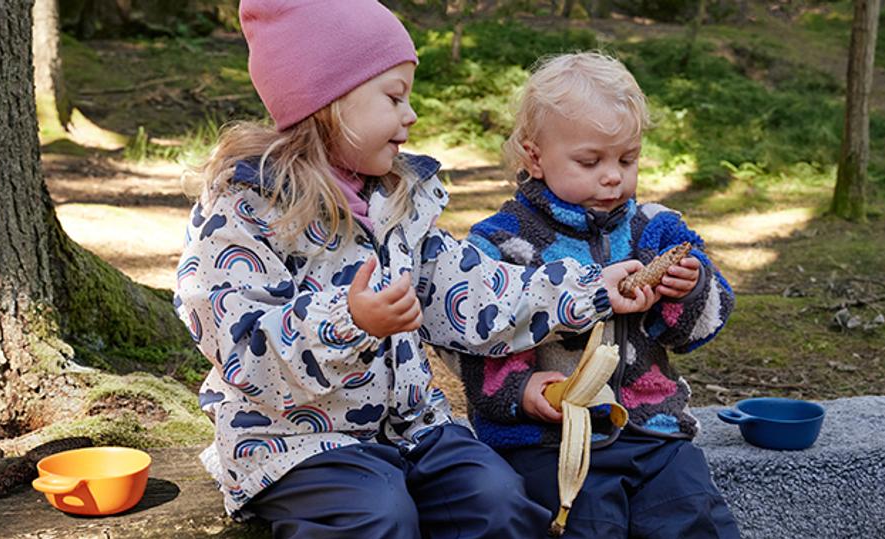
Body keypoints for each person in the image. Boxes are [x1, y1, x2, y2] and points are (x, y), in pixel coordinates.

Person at [174, 4, 653, 537]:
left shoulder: (397, 203)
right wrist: (349, 321)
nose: (411, 115)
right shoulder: (246, 213)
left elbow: (472, 291)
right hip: (293, 440)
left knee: (495, 499)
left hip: (411, 427)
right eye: (394, 97)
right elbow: (241, 347)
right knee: (377, 514)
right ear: (327, 102)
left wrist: (588, 291)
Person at [456, 51, 741, 538]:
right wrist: (520, 393)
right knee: (587, 524)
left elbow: (701, 324)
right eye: (590, 161)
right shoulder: (501, 242)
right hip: (552, 439)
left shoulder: (656, 229)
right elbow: (476, 334)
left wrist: (690, 289)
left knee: (693, 514)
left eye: (627, 159)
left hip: (653, 429)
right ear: (534, 156)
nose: (613, 175)